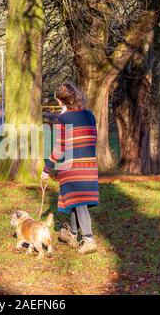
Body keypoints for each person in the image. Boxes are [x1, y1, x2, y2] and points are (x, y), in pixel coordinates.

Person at [41, 83, 99, 254]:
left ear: (61, 101)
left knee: (79, 203)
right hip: (89, 164)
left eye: (58, 100)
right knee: (76, 201)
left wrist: (46, 169)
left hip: (74, 167)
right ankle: (72, 234)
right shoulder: (89, 115)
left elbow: (59, 149)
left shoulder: (63, 119)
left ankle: (88, 239)